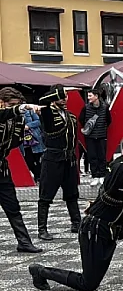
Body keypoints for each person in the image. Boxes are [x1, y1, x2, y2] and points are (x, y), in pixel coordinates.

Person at [28, 130, 123, 291]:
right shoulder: (120, 166)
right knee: (88, 283)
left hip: (115, 224)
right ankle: (41, 271)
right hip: (96, 228)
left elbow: (106, 190)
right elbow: (122, 172)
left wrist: (94, 205)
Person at [37, 84, 82, 240]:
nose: (64, 99)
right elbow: (42, 101)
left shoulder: (71, 116)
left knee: (72, 193)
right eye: (60, 96)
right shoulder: (47, 113)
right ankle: (42, 229)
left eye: (65, 96)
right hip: (53, 159)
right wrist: (56, 94)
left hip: (68, 159)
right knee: (46, 195)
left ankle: (76, 223)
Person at [0, 88, 42, 253]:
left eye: (17, 106)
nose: (14, 109)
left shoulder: (17, 120)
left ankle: (24, 242)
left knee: (12, 206)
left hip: (2, 168)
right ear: (2, 102)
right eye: (11, 105)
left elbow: (16, 141)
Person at [79, 89, 112, 187]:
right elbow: (81, 119)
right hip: (90, 136)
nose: (89, 98)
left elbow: (109, 120)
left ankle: (102, 175)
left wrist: (102, 127)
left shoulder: (105, 107)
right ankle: (95, 175)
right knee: (92, 156)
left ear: (96, 96)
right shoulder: (86, 108)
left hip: (102, 135)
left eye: (90, 96)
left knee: (102, 156)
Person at [21, 104, 44, 183]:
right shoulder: (14, 113)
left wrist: (28, 125)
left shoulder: (30, 111)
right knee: (28, 161)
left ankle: (39, 177)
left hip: (34, 138)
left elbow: (38, 121)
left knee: (38, 159)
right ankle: (37, 175)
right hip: (22, 140)